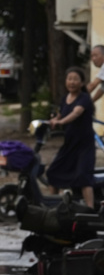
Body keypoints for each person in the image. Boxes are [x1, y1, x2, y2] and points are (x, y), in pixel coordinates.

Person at [46, 66, 98, 209]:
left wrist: (61, 122)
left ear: (82, 83)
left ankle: (90, 209)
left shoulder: (85, 98)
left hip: (84, 146)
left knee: (83, 177)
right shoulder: (65, 99)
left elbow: (76, 113)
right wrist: (53, 120)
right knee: (53, 173)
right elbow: (61, 114)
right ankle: (54, 207)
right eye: (69, 79)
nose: (72, 82)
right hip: (69, 145)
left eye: (75, 79)